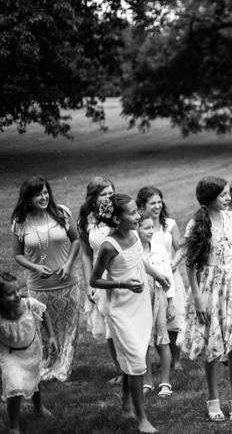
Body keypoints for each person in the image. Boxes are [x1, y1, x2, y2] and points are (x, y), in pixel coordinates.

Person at [177, 177, 232, 422]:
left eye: (227, 194)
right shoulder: (197, 225)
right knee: (213, 344)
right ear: (209, 199)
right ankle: (212, 398)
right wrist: (198, 296)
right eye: (222, 195)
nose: (228, 198)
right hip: (210, 288)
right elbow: (190, 264)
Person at [90, 194, 156, 434]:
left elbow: (139, 261)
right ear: (117, 219)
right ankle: (142, 419)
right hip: (120, 311)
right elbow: (94, 280)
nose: (138, 216)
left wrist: (157, 275)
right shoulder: (109, 246)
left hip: (141, 306)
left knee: (134, 358)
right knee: (138, 362)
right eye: (132, 213)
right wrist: (123, 284)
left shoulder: (135, 234)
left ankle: (125, 400)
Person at [11, 176, 81, 382]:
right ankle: (46, 363)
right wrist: (34, 266)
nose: (43, 197)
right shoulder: (20, 222)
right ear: (28, 198)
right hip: (39, 285)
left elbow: (76, 240)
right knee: (41, 328)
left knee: (68, 328)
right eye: (37, 194)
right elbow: (17, 254)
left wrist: (68, 264)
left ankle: (63, 366)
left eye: (45, 192)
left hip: (67, 283)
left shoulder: (61, 213)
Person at [136, 186, 187, 371]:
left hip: (169, 276)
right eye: (152, 203)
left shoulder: (169, 224)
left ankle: (177, 358)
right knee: (155, 318)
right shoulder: (139, 226)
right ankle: (160, 355)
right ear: (142, 206)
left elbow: (181, 247)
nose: (157, 206)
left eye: (159, 202)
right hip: (148, 279)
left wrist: (174, 262)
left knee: (174, 319)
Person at [0, 272, 57, 434]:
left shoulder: (28, 304)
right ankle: (14, 426)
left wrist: (52, 337)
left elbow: (44, 313)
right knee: (14, 387)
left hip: (32, 351)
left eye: (18, 290)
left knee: (34, 379)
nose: (17, 295)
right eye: (10, 294)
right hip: (9, 355)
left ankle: (39, 407)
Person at [78, 177, 122, 384]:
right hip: (99, 275)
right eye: (103, 194)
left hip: (119, 271)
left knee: (122, 321)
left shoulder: (119, 214)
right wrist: (89, 283)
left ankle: (136, 367)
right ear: (93, 198)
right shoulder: (86, 219)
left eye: (110, 193)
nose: (108, 198)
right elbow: (86, 254)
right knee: (108, 326)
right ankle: (121, 370)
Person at [138, 216, 173, 398]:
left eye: (152, 227)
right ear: (136, 228)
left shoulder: (159, 249)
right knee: (144, 342)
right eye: (146, 228)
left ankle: (165, 381)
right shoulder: (134, 250)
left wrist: (171, 302)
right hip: (141, 299)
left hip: (159, 297)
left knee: (163, 339)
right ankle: (147, 382)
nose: (151, 231)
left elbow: (168, 275)